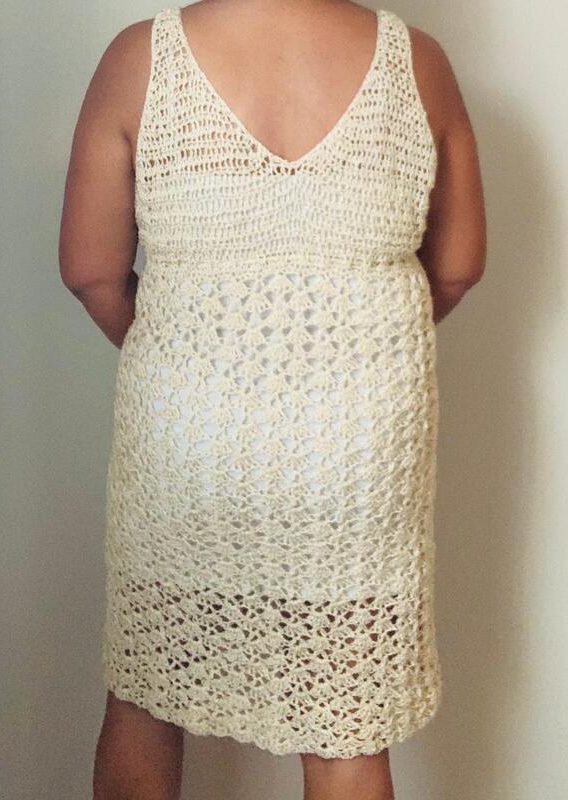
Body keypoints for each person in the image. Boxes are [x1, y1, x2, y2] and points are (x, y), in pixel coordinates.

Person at [59, 1, 486, 798]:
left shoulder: (141, 59)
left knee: (147, 694)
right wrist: (341, 352)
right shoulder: (416, 62)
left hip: (187, 436)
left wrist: (194, 356)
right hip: (354, 448)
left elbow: (89, 270)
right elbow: (458, 265)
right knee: (345, 722)